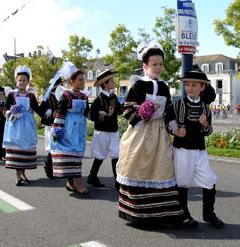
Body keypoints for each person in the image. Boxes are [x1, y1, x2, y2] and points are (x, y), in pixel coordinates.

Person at [116, 42, 184, 225]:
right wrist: (143, 112)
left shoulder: (163, 87)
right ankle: (138, 212)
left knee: (162, 169)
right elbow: (127, 108)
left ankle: (161, 212)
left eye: (161, 64)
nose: (159, 67)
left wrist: (173, 126)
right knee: (138, 166)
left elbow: (169, 110)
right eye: (154, 64)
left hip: (159, 133)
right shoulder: (138, 86)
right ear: (145, 66)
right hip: (141, 133)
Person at [164, 70, 225, 228]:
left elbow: (209, 131)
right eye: (187, 84)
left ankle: (209, 214)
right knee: (182, 182)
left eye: (194, 85)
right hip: (182, 150)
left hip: (200, 150)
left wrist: (205, 124)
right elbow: (168, 121)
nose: (189, 88)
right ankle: (184, 214)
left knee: (209, 180)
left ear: (202, 87)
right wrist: (175, 131)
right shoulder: (176, 105)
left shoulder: (206, 108)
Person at [50, 62, 90, 195]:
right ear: (71, 81)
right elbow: (60, 112)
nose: (82, 82)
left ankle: (71, 182)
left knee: (77, 153)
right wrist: (58, 129)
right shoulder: (66, 95)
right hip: (69, 127)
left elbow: (87, 112)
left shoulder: (84, 96)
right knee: (71, 152)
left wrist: (100, 116)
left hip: (80, 127)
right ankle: (77, 183)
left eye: (83, 79)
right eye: (79, 80)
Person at [3, 65, 42, 186]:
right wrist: (11, 113)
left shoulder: (31, 95)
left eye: (24, 80)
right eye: (20, 80)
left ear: (28, 82)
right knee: (17, 147)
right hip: (15, 124)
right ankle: (18, 176)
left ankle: (23, 173)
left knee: (25, 148)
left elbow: (37, 109)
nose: (22, 82)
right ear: (16, 80)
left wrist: (46, 113)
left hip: (27, 125)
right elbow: (4, 109)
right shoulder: (11, 95)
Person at [87, 69, 123, 189]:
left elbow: (119, 111)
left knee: (116, 155)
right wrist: (106, 116)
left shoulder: (114, 97)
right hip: (102, 132)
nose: (114, 82)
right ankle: (92, 176)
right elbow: (92, 116)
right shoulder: (98, 99)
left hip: (114, 130)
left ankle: (118, 181)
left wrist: (126, 107)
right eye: (111, 81)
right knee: (99, 155)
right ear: (105, 84)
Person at [39, 77, 63, 179]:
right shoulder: (47, 96)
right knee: (51, 147)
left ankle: (53, 169)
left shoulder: (58, 96)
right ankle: (48, 168)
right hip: (50, 126)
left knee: (56, 147)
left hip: (57, 125)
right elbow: (41, 110)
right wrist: (47, 113)